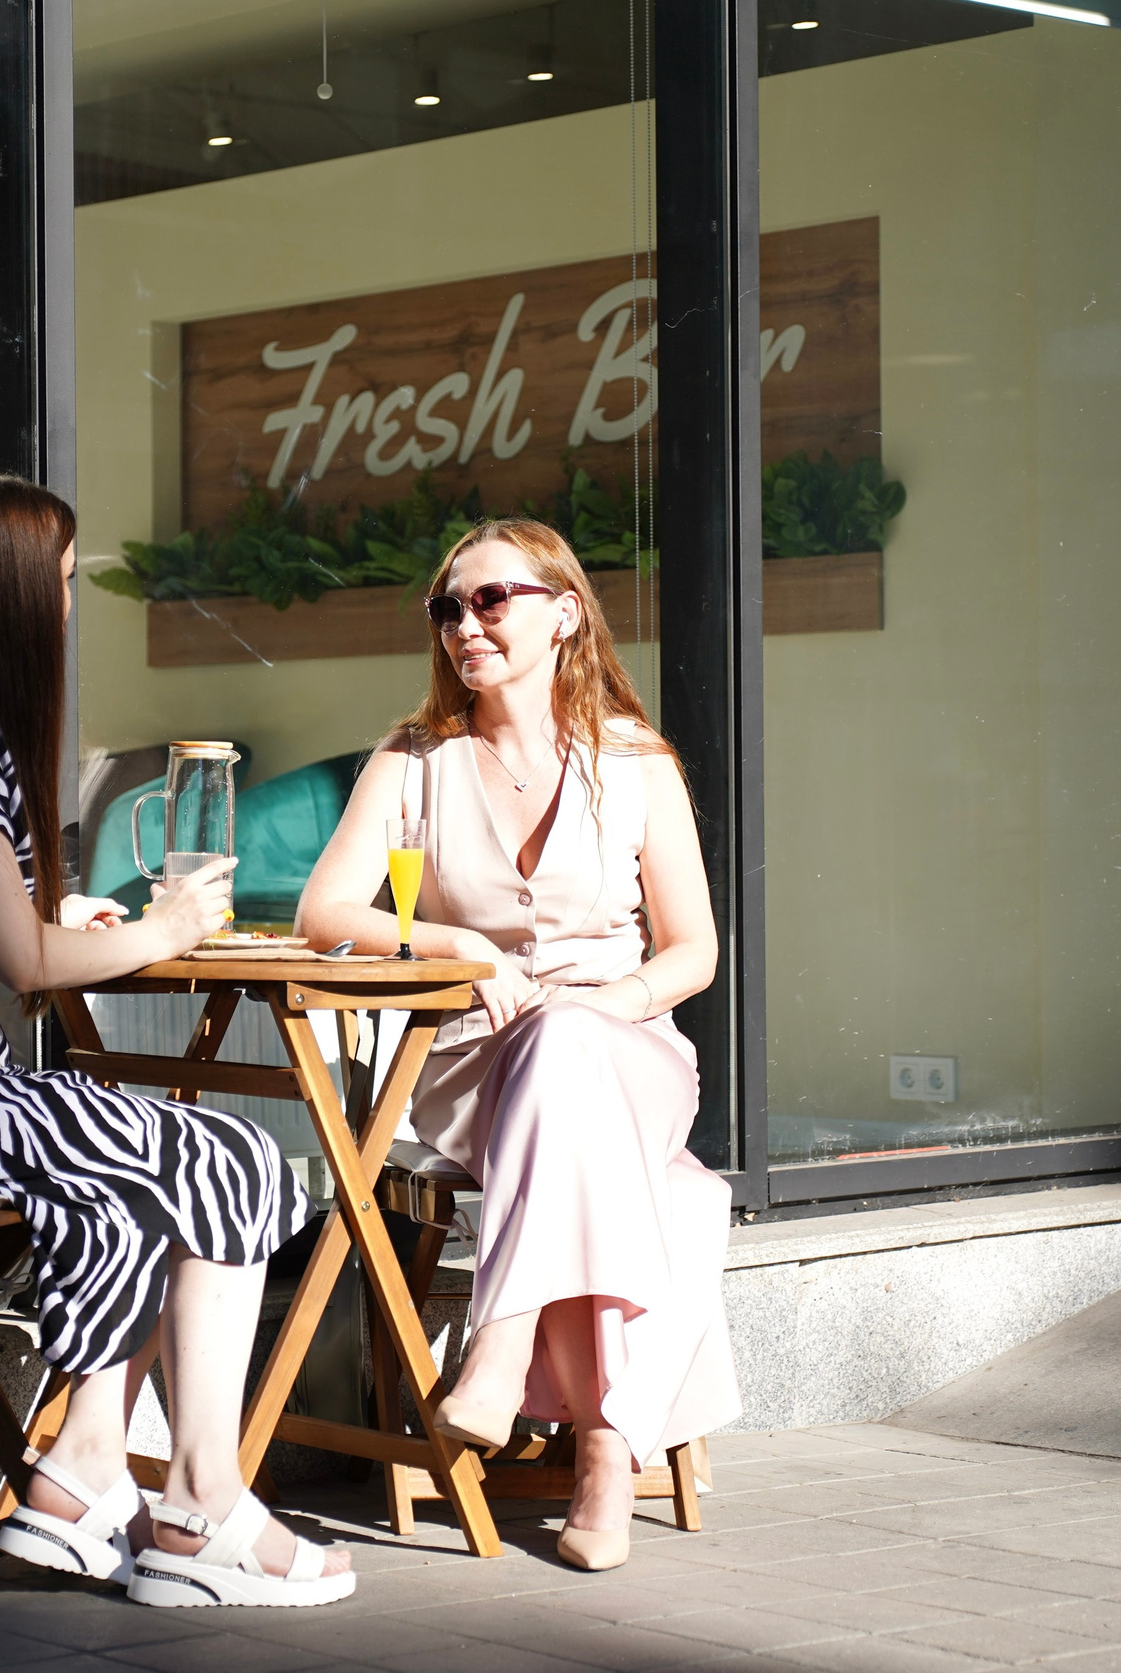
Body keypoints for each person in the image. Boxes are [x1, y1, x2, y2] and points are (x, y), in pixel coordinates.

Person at [0, 472, 353, 1609]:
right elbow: (22, 968)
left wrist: (60, 921)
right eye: (67, 583)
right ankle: (198, 1507)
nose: (72, 607)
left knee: (145, 1164)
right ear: (12, 593)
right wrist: (164, 927)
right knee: (226, 1156)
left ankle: (84, 1477)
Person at [295, 517, 742, 1572]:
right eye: (447, 607)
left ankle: (499, 1345)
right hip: (468, 1063)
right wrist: (456, 942)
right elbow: (326, 913)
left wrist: (602, 1005)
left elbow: (692, 954)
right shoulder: (414, 760)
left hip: (627, 1049)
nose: (464, 624)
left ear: (563, 614)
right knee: (574, 1092)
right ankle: (602, 1452)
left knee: (569, 1043)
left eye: (491, 599)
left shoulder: (636, 763)